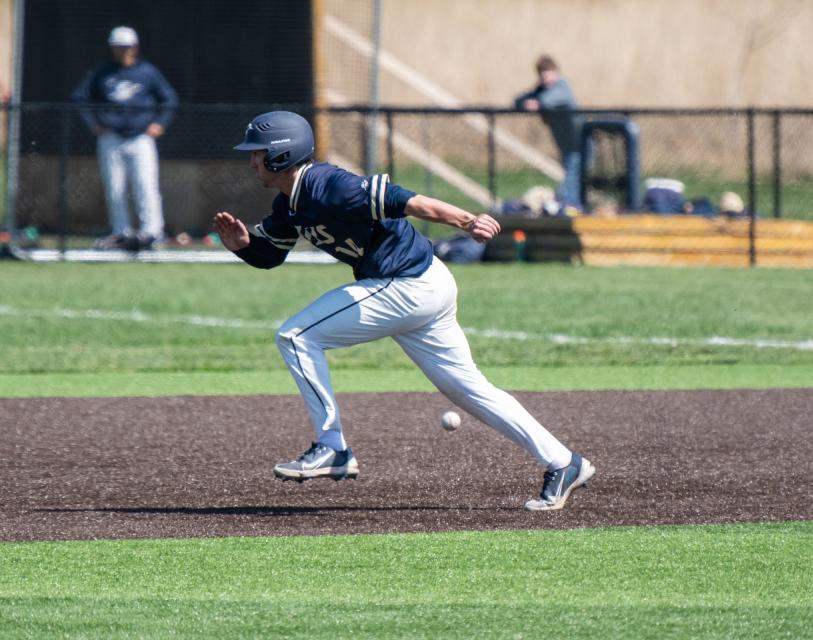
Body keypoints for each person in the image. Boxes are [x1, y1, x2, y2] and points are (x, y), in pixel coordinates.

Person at [213, 111, 595, 511]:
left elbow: (407, 200)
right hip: (423, 285)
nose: (251, 162)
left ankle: (333, 447)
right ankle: (564, 462)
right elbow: (270, 257)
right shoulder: (289, 204)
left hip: (407, 285)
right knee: (468, 389)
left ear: (279, 154)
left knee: (295, 336)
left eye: (256, 153)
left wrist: (468, 221)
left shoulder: (330, 185)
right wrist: (242, 246)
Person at [71, 26, 178, 251]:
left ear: (135, 48)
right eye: (119, 48)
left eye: (127, 47)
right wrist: (94, 124)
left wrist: (160, 123)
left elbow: (168, 98)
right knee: (115, 187)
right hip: (111, 138)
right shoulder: (102, 73)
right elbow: (79, 97)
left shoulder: (148, 72)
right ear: (113, 49)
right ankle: (121, 233)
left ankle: (152, 233)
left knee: (146, 185)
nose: (123, 52)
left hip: (141, 138)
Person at [514, 55, 584, 209]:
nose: (545, 77)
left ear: (556, 72)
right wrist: (528, 101)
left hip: (579, 144)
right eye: (541, 73)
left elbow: (548, 101)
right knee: (573, 179)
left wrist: (537, 102)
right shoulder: (542, 90)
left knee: (572, 182)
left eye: (548, 72)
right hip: (565, 145)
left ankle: (568, 207)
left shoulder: (562, 87)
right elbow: (518, 101)